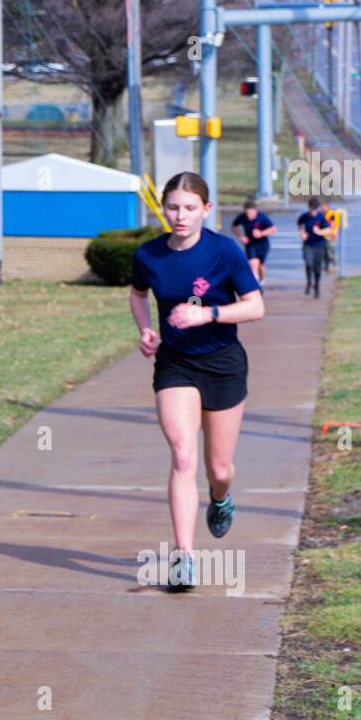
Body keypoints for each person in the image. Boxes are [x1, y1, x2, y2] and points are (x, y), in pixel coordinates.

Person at [128, 172, 266, 589]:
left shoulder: (225, 251)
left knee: (218, 468)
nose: (180, 216)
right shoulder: (149, 255)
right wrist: (145, 330)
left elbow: (256, 306)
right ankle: (184, 556)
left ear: (207, 210)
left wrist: (207, 314)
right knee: (183, 456)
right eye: (172, 208)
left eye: (190, 208)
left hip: (223, 363)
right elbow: (137, 294)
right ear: (163, 209)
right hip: (175, 364)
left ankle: (221, 499)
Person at [229, 199, 276, 283]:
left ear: (255, 211)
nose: (249, 216)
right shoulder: (242, 217)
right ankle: (257, 286)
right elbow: (233, 226)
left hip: (262, 244)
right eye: (247, 213)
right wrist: (241, 237)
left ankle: (261, 280)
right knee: (253, 265)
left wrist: (261, 233)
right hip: (250, 244)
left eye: (251, 213)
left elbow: (273, 229)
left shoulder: (262, 217)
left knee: (260, 266)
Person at [297, 196, 333, 298]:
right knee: (308, 264)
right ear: (309, 208)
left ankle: (316, 286)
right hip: (307, 245)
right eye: (311, 209)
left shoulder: (321, 217)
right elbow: (299, 223)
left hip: (319, 246)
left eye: (315, 209)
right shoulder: (304, 216)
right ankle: (309, 282)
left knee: (317, 269)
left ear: (317, 209)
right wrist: (301, 233)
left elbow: (328, 230)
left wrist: (319, 232)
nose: (313, 212)